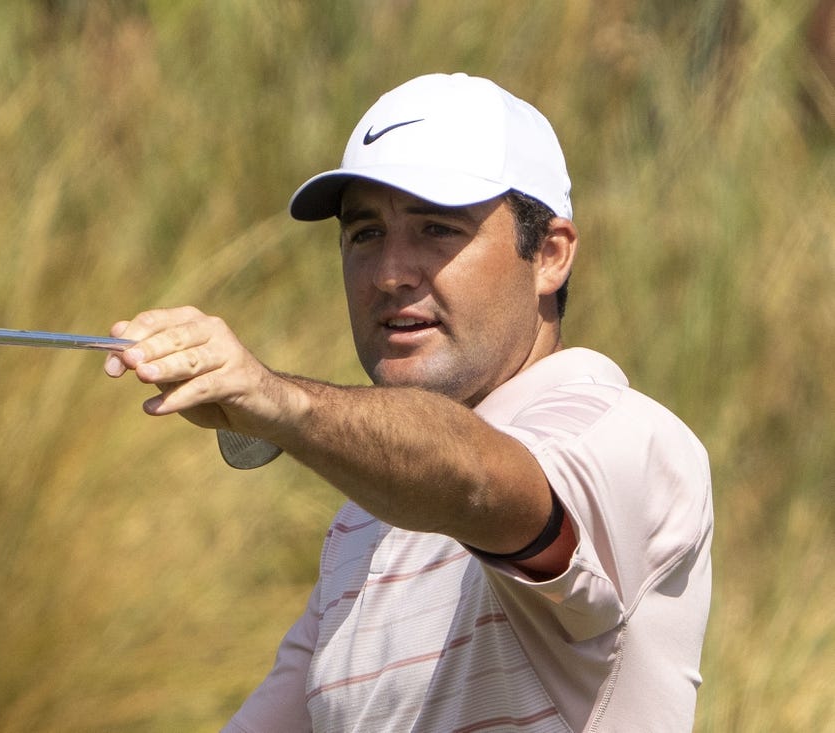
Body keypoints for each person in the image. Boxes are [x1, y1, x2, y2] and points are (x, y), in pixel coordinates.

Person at [105, 73, 713, 732]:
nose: (391, 273)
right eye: (365, 233)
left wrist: (279, 401)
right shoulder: (363, 524)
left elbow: (478, 482)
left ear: (550, 255)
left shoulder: (622, 434)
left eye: (436, 228)